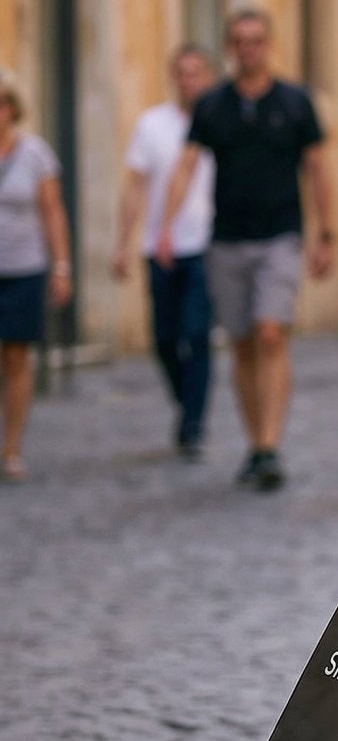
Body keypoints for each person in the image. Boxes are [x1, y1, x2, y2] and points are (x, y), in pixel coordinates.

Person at [156, 8, 334, 491]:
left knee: (271, 333)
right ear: (230, 47)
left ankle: (270, 446)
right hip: (226, 240)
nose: (247, 48)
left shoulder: (295, 102)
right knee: (240, 344)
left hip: (280, 236)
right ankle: (255, 443)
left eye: (255, 39)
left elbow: (317, 168)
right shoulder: (212, 105)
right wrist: (166, 227)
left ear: (268, 44)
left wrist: (327, 234)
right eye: (238, 40)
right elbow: (186, 164)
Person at [112, 45, 217, 457]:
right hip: (159, 245)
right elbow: (134, 186)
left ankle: (193, 423)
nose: (189, 81)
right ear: (173, 77)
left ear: (208, 76)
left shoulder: (219, 123)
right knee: (164, 338)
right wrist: (122, 243)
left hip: (207, 245)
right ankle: (186, 401)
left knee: (197, 333)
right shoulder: (151, 125)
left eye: (196, 73)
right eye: (182, 73)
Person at [0, 70, 73, 481]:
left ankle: (11, 447)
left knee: (15, 356)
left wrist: (61, 266)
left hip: (23, 267)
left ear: (11, 109)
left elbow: (52, 211)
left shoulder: (35, 154)